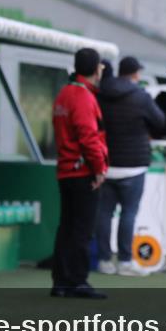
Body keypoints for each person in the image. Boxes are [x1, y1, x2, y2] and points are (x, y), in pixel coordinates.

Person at [96, 55, 166, 276]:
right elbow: (160, 122)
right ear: (135, 73)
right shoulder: (140, 96)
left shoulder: (100, 94)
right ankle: (125, 261)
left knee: (104, 214)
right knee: (128, 214)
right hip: (133, 165)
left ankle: (104, 260)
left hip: (106, 163)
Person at [50, 48, 108, 299]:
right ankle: (77, 281)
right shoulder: (83, 97)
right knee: (82, 229)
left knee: (67, 227)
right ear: (96, 69)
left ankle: (61, 282)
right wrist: (99, 169)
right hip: (82, 171)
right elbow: (89, 137)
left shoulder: (64, 93)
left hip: (66, 170)